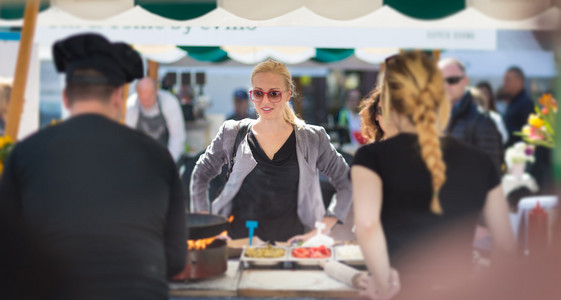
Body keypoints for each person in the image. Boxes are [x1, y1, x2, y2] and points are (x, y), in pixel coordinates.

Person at [0, 33, 187, 299]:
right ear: (117, 98)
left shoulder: (24, 154)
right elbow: (177, 258)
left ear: (65, 98)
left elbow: (7, 252)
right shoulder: (157, 156)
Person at [352, 51, 515, 299]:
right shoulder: (480, 161)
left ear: (389, 103)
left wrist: (384, 281)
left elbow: (366, 225)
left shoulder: (371, 157)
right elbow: (505, 245)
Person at [191, 59, 352, 243]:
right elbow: (200, 175)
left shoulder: (312, 138)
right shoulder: (232, 133)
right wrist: (206, 225)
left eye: (274, 94)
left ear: (288, 94)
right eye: (258, 93)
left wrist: (320, 230)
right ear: (251, 95)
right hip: (239, 247)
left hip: (292, 250)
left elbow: (345, 182)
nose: (265, 100)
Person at [438, 58, 503, 173]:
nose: (445, 85)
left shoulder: (481, 120)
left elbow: (492, 172)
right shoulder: (434, 116)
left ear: (465, 81)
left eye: (452, 80)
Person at [126, 77, 186, 163]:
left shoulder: (170, 102)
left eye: (149, 99)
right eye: (143, 99)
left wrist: (168, 163)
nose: (146, 102)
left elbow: (177, 138)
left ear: (156, 92)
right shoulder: (131, 105)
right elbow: (129, 140)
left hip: (168, 155)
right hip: (141, 159)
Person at [502, 66, 534, 148]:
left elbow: (529, 133)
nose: (504, 83)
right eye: (505, 80)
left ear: (520, 81)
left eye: (508, 80)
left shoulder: (525, 103)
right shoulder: (514, 101)